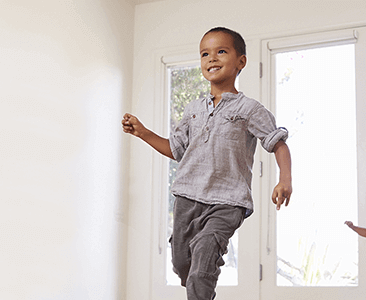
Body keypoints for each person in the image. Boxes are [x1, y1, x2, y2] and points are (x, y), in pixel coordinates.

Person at [121, 27, 293, 300]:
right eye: (205, 54)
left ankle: (206, 266)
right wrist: (143, 132)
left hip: (227, 201)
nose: (212, 58)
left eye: (221, 51)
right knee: (182, 264)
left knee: (202, 261)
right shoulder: (193, 109)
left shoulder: (249, 109)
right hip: (187, 198)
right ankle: (202, 273)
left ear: (241, 61)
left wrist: (285, 179)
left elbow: (278, 143)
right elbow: (176, 150)